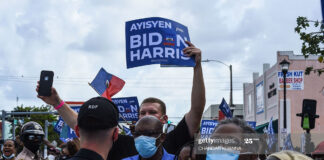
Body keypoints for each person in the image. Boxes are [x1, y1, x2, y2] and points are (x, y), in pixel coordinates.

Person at [37, 41, 206, 160]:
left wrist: (197, 68)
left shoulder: (173, 141)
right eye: (143, 113)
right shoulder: (123, 145)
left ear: (164, 120)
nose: (146, 115)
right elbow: (86, 125)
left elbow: (197, 110)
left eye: (152, 112)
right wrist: (57, 103)